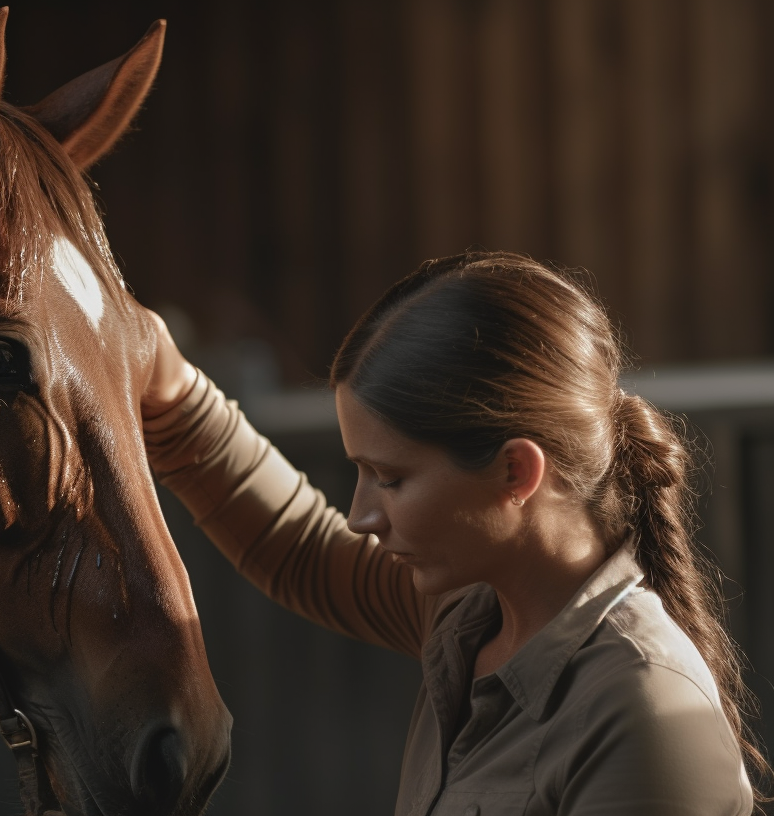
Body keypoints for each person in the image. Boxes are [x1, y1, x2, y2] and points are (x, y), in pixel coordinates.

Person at [140, 251, 767, 815]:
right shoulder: (469, 615)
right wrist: (171, 393)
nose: (361, 515)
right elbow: (302, 549)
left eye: (389, 478)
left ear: (515, 470)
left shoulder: (643, 712)